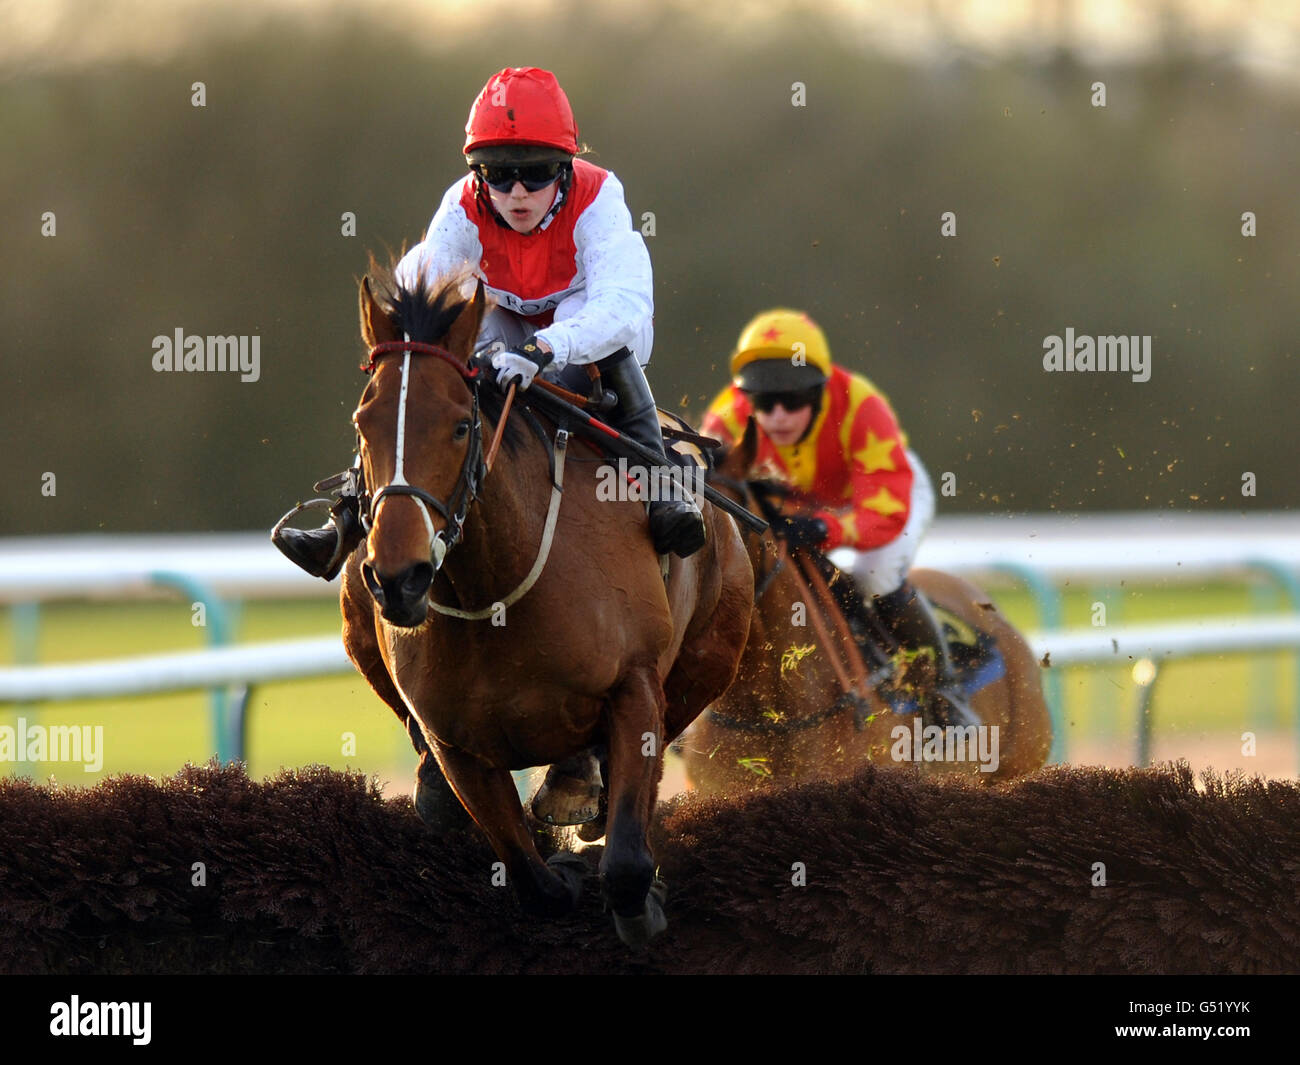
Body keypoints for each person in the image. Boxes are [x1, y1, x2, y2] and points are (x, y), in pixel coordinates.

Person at [273, 66, 705, 580]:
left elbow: (622, 306)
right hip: (502, 321)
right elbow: (427, 283)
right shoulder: (461, 206)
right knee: (421, 367)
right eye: (498, 174)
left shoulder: (600, 199)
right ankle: (348, 511)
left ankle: (662, 491)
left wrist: (545, 351)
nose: (517, 193)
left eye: (537, 172)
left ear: (567, 165)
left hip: (584, 326)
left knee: (597, 337)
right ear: (478, 173)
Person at [701, 308, 975, 724]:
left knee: (873, 577)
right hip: (798, 507)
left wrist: (825, 526)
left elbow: (883, 511)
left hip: (883, 494)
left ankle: (944, 688)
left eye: (791, 400)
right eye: (762, 400)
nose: (776, 416)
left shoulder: (863, 408)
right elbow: (715, 486)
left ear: (819, 390)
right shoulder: (726, 419)